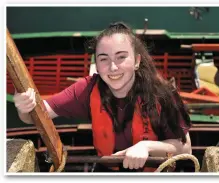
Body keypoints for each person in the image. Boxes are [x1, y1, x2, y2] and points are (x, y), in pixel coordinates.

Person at [13, 22, 192, 172]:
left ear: (137, 61)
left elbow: (185, 148)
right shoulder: (86, 90)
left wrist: (147, 147)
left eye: (121, 57)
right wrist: (24, 107)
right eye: (104, 59)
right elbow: (33, 117)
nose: (113, 67)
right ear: (96, 64)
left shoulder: (163, 94)